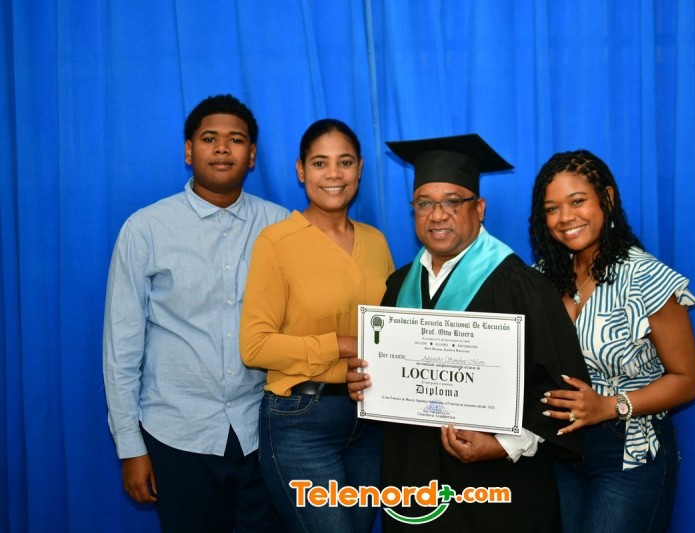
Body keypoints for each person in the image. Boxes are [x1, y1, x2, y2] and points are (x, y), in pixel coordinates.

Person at [347, 134, 590, 532]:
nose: (437, 215)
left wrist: (503, 444)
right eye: (424, 203)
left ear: (479, 209)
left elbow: (564, 391)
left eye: (452, 202)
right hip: (414, 485)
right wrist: (366, 381)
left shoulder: (520, 286)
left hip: (498, 493)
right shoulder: (399, 286)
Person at [102, 94, 290, 532]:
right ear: (189, 151)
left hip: (264, 433)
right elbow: (121, 346)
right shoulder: (146, 229)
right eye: (209, 138)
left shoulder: (282, 227)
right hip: (176, 434)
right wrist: (131, 447)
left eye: (236, 139)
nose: (222, 148)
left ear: (252, 155)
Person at [528, 149, 695, 532]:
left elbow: (688, 380)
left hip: (628, 454)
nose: (565, 217)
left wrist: (609, 406)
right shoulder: (540, 278)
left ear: (607, 198)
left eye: (577, 201)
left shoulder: (645, 277)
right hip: (558, 452)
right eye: (552, 208)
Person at [239, 119, 394, 532]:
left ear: (360, 168)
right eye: (320, 163)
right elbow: (254, 346)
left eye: (345, 162)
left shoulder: (376, 241)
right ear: (300, 170)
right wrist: (341, 344)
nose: (333, 174)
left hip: (371, 418)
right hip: (301, 419)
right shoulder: (276, 242)